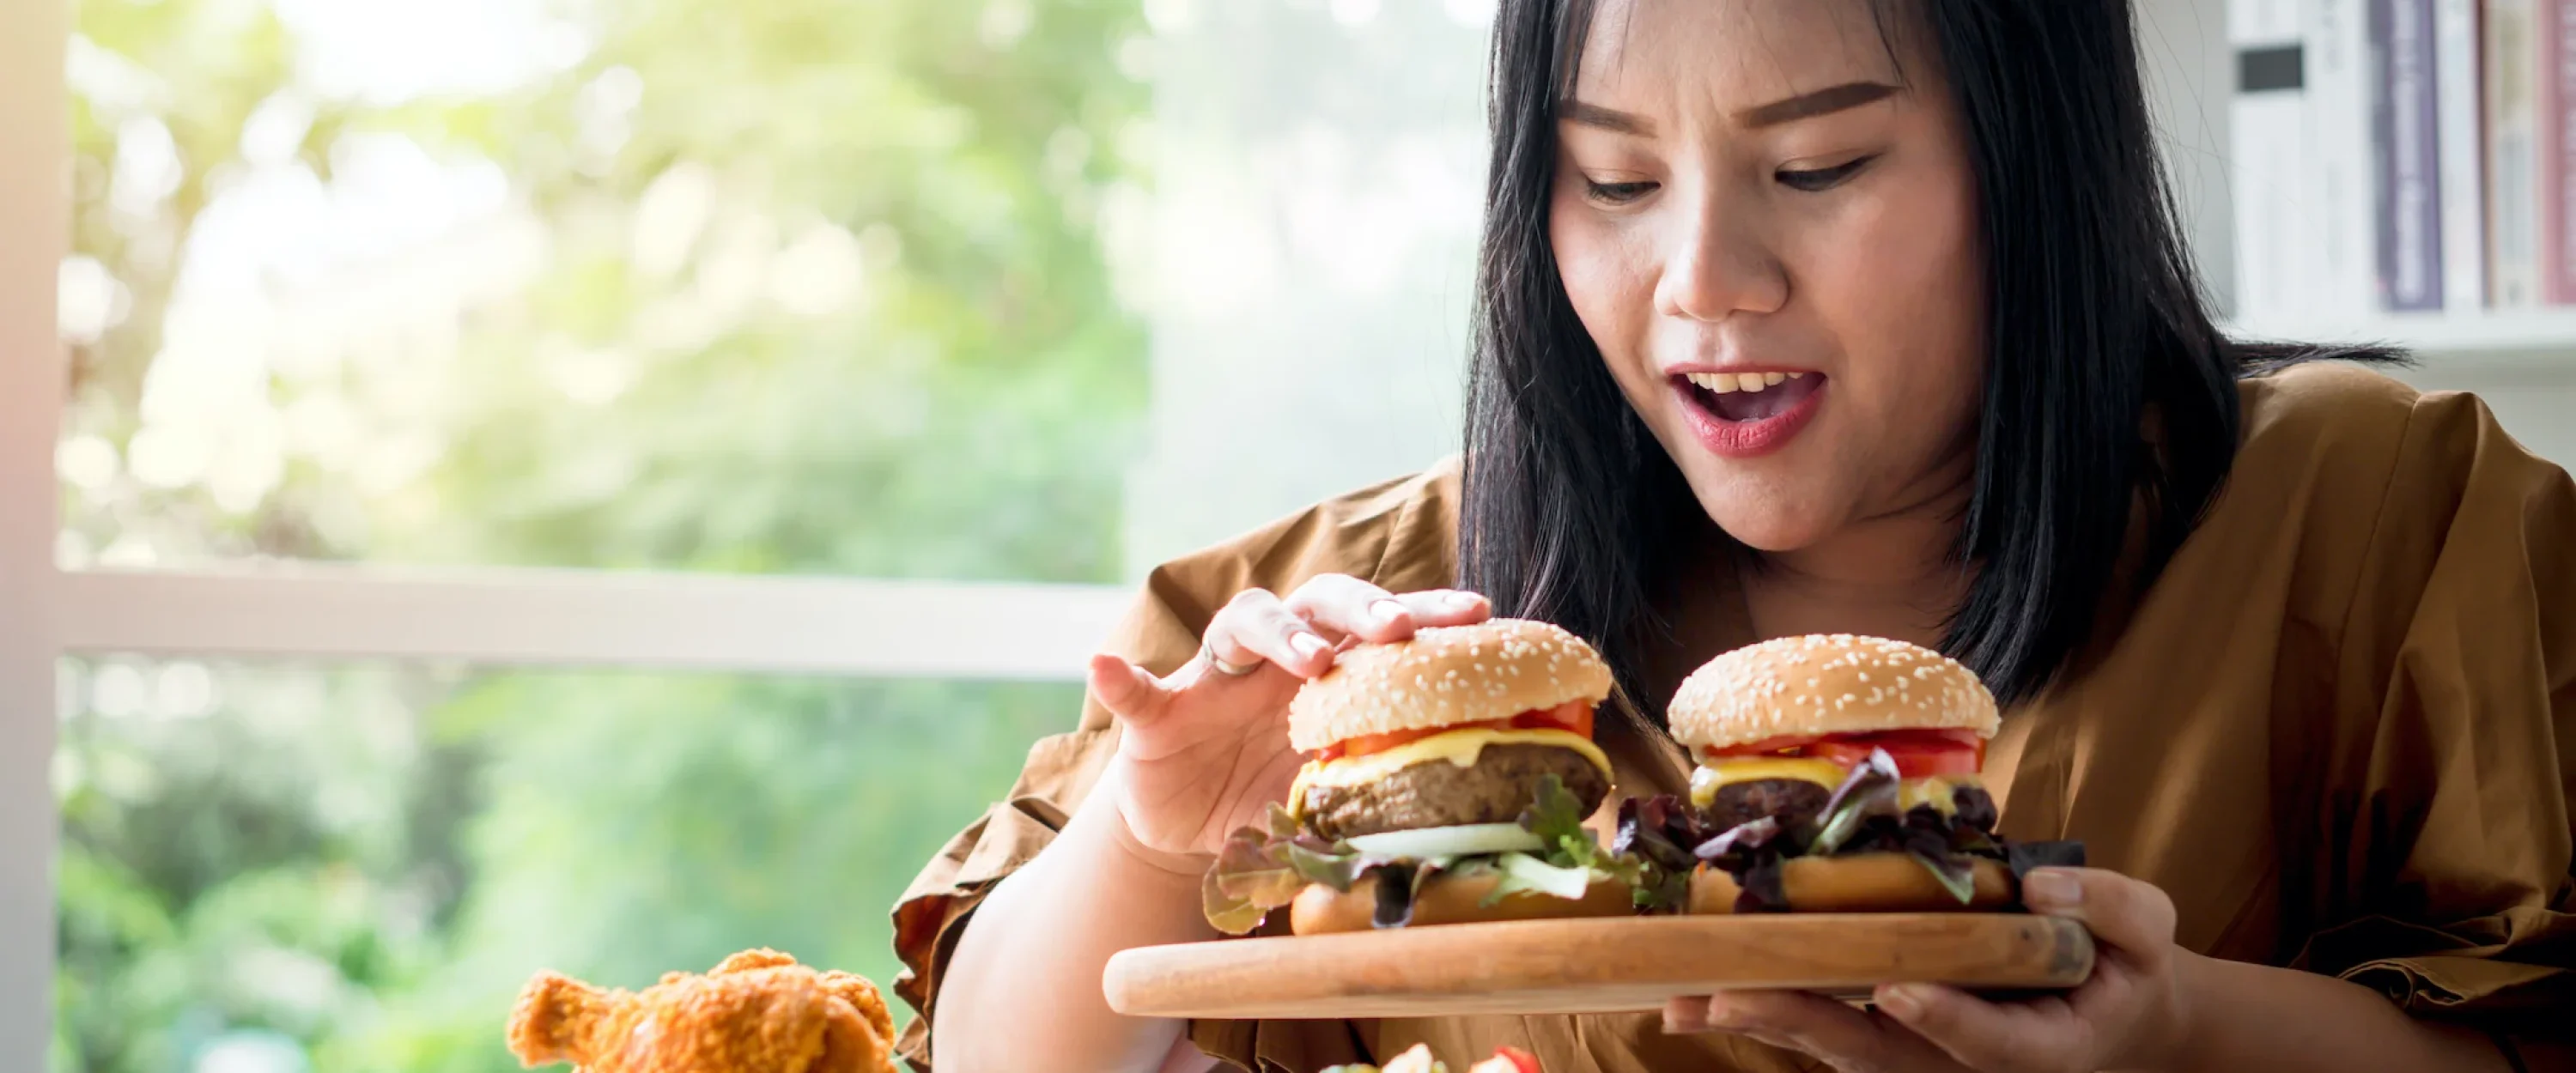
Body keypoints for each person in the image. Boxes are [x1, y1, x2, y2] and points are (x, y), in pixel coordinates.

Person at [898, 1, 2576, 1070]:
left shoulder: (2376, 510)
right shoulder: (1385, 617)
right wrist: (1150, 831)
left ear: (2029, 168)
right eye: (1614, 183)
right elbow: (984, 1056)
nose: (1705, 280)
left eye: (1821, 163)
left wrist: (2183, 1034)